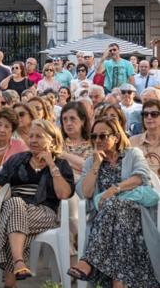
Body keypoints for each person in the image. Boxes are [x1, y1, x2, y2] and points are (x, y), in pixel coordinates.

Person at [0, 119, 75, 287]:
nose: (33, 140)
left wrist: (51, 164)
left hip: (44, 211)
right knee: (15, 204)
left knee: (12, 216)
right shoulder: (18, 159)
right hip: (13, 207)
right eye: (31, 136)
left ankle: (11, 275)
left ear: (52, 139)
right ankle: (18, 264)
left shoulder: (61, 163)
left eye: (39, 136)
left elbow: (63, 194)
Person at [68, 116, 160, 287]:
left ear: (116, 137)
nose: (97, 140)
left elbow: (141, 177)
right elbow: (85, 192)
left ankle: (88, 260)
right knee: (117, 221)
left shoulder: (133, 154)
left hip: (136, 214)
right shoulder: (91, 161)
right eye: (93, 136)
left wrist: (113, 190)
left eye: (102, 136)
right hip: (108, 222)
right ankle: (118, 283)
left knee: (112, 203)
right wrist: (96, 165)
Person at [59, 101, 93, 179]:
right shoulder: (57, 143)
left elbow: (88, 167)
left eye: (72, 118)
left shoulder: (93, 143)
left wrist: (61, 154)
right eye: (65, 119)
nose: (68, 123)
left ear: (83, 121)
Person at [130, 98, 160, 174]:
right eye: (145, 114)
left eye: (154, 114)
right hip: (139, 184)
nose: (149, 117)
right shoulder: (132, 142)